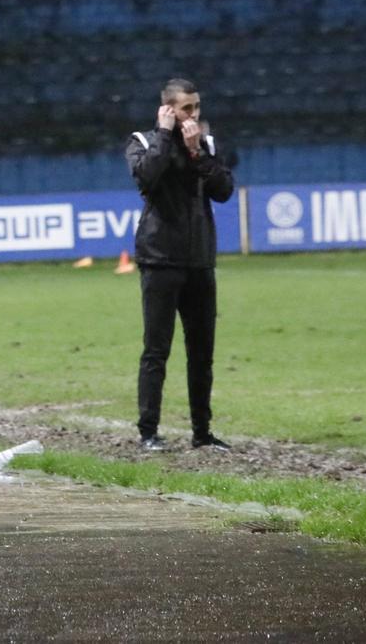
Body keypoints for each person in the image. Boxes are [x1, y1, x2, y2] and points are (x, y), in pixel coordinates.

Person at [125, 78, 235, 453]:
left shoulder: (205, 144)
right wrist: (163, 135)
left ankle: (202, 433)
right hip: (159, 259)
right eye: (187, 109)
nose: (195, 115)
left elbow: (223, 191)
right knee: (157, 350)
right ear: (169, 109)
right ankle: (148, 432)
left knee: (202, 351)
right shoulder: (142, 142)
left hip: (200, 260)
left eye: (197, 108)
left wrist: (197, 155)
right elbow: (147, 178)